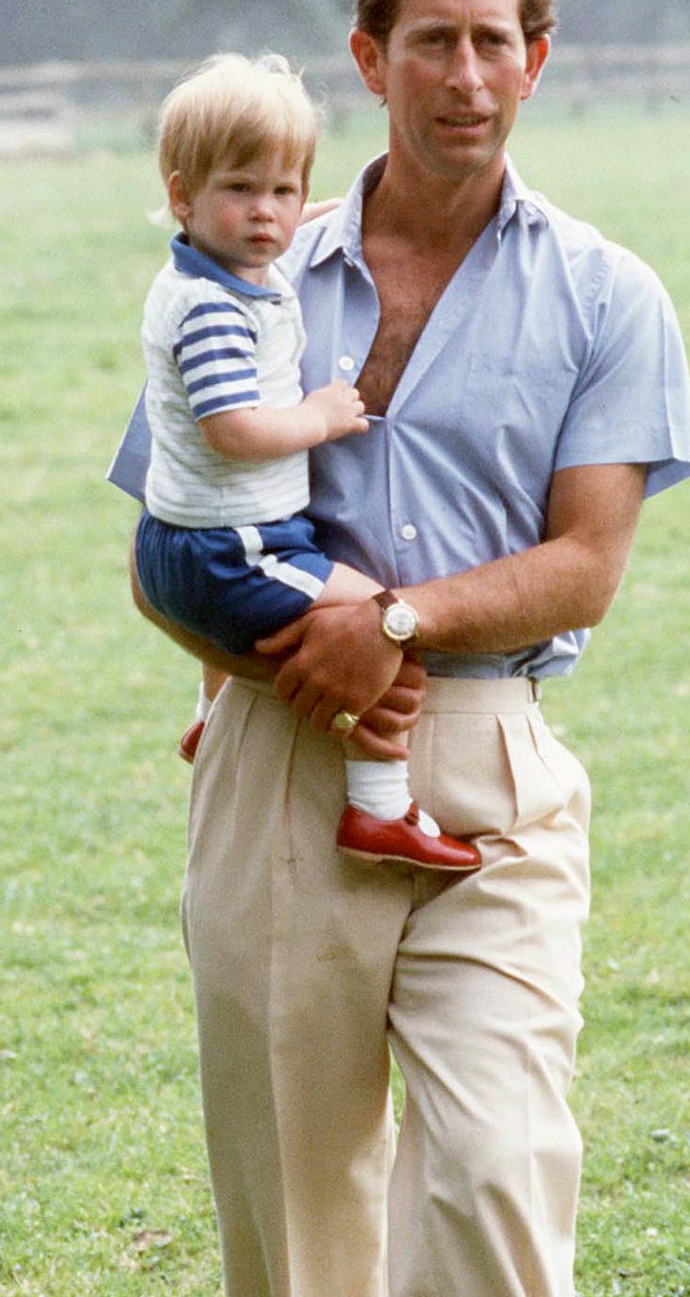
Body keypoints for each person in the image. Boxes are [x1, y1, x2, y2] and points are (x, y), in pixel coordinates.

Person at [110, 0, 690, 1297]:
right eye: (433, 42)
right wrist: (263, 657)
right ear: (372, 61)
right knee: (297, 1224)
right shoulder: (246, 272)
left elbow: (587, 568)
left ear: (536, 62)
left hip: (491, 769)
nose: (466, 74)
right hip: (278, 753)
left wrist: (389, 623)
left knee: (497, 1169)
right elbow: (166, 537)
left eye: (494, 41)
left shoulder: (606, 295)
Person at [135, 52, 478, 871]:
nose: (268, 215)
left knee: (330, 620)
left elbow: (284, 227)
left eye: (283, 192)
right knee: (387, 626)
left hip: (195, 537)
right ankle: (379, 810)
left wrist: (340, 212)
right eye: (240, 190)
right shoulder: (214, 310)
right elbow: (232, 429)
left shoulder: (217, 269)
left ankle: (209, 717)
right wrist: (319, 418)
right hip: (232, 547)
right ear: (181, 196)